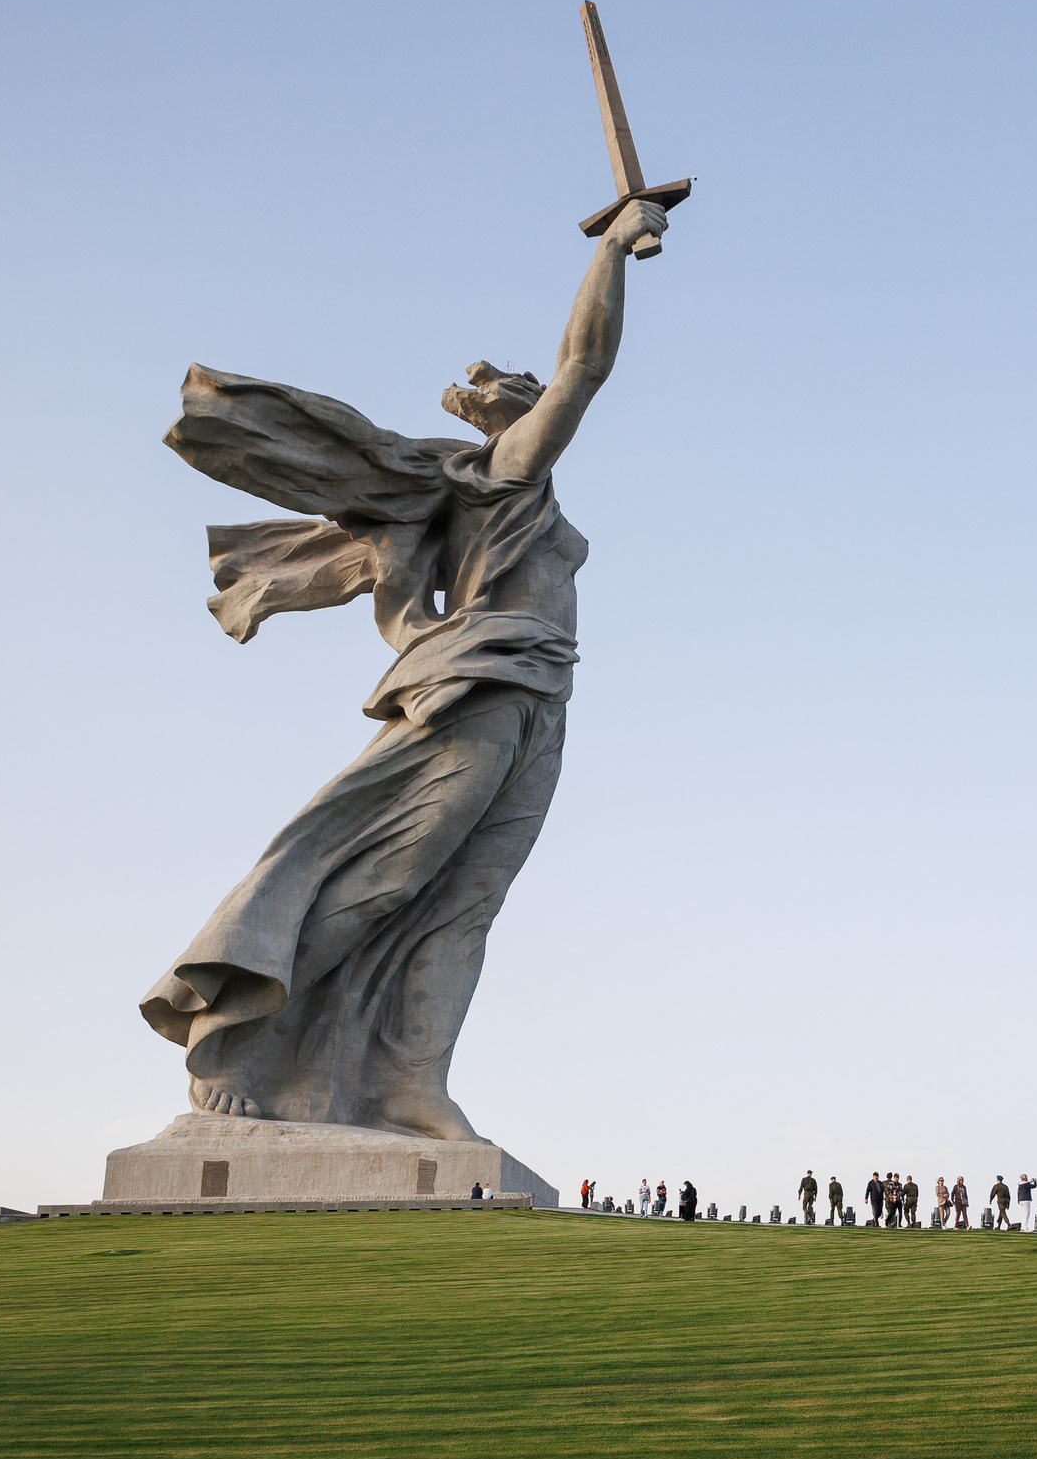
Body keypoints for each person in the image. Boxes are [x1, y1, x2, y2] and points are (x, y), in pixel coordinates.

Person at [141, 199, 672, 1137]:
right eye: (518, 387)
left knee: (467, 901)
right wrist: (612, 251)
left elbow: (398, 616)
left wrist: (420, 632)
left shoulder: (493, 501)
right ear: (496, 418)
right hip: (486, 685)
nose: (531, 391)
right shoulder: (502, 471)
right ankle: (237, 1037)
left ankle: (408, 1081)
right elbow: (584, 370)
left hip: (536, 690)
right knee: (395, 873)